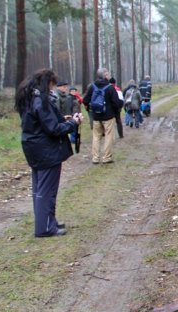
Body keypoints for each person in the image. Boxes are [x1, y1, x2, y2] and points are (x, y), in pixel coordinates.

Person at [15, 69, 83, 237]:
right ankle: (45, 228)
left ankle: (47, 222)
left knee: (40, 189)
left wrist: (64, 120)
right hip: (46, 151)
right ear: (47, 83)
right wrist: (73, 123)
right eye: (52, 84)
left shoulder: (29, 99)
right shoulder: (40, 101)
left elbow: (43, 124)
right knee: (47, 190)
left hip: (34, 149)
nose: (53, 88)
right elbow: (53, 129)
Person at [82, 68, 123, 164]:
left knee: (96, 137)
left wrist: (90, 108)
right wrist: (120, 103)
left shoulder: (92, 86)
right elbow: (116, 103)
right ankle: (106, 157)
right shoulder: (110, 87)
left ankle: (95, 158)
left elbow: (85, 100)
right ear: (105, 75)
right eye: (108, 73)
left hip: (96, 116)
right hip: (108, 117)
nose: (109, 75)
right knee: (108, 137)